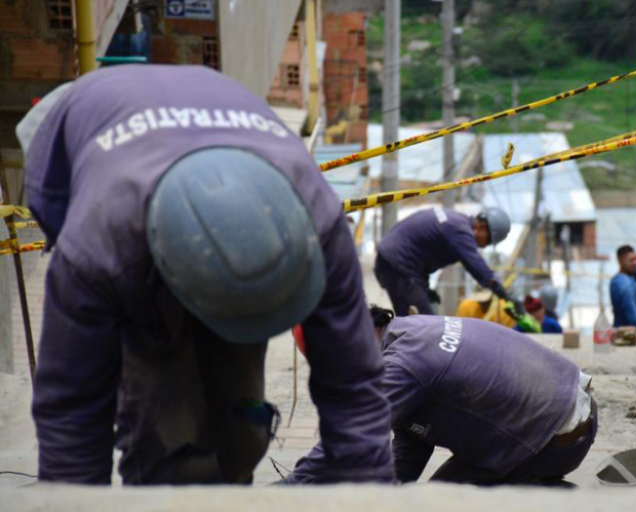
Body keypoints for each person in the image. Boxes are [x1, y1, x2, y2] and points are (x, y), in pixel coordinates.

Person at [19, 65, 392, 485]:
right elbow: (73, 410)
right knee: (162, 432)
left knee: (240, 427)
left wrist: (370, 495)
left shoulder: (320, 227)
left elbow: (354, 386)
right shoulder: (97, 250)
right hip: (129, 233)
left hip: (206, 146)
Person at [289, 306, 597, 486]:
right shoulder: (409, 330)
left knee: (442, 501)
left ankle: (544, 494)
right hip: (571, 410)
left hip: (557, 439)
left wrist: (285, 490)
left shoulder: (402, 366)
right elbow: (412, 443)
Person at [376, 206, 516, 316]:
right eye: (489, 241)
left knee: (414, 322)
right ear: (482, 228)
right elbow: (478, 267)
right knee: (423, 326)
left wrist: (425, 287)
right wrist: (505, 295)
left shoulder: (456, 220)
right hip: (398, 266)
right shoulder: (461, 232)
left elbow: (421, 253)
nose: (485, 245)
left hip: (392, 262)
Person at [610, 245, 636, 328]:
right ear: (620, 261)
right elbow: (630, 309)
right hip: (626, 332)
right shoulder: (622, 283)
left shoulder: (631, 278)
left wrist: (635, 267)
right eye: (631, 260)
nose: (635, 263)